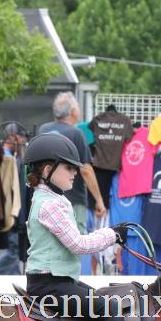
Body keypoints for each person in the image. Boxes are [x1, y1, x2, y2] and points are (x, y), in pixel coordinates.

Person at [22, 132, 161, 321]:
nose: (75, 173)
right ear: (47, 170)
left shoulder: (51, 198)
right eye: (68, 167)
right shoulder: (50, 204)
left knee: (110, 303)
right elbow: (78, 244)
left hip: (60, 283)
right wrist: (113, 235)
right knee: (111, 311)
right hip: (51, 287)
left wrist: (111, 234)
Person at [38, 92, 108, 229]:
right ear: (73, 112)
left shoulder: (42, 130)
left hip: (44, 198)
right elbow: (86, 171)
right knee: (76, 237)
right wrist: (99, 200)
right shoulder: (76, 133)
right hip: (73, 200)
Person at [0, 124, 29, 275]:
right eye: (22, 137)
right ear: (12, 136)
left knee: (15, 250)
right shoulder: (5, 158)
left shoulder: (11, 157)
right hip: (8, 209)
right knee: (14, 250)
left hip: (10, 209)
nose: (23, 141)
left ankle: (15, 278)